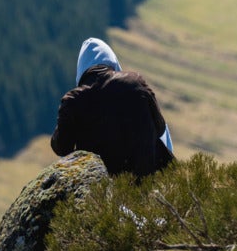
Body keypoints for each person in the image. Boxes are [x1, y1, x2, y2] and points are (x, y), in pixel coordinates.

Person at [50, 37, 175, 178]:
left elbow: (61, 147)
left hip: (103, 190)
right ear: (112, 62)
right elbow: (160, 128)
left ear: (81, 71)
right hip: (148, 182)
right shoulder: (135, 83)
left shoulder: (73, 101)